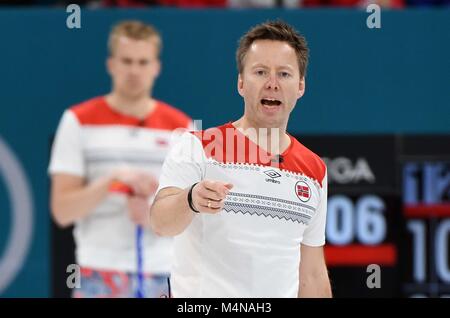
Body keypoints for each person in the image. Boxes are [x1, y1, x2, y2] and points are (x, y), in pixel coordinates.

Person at [150, 20, 331, 297]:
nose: (272, 84)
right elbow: (161, 223)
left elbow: (313, 274)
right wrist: (191, 199)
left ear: (301, 86)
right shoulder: (196, 146)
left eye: (284, 74)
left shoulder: (314, 170)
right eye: (260, 72)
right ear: (241, 83)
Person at [48, 20, 193, 298]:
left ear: (156, 67)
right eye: (127, 61)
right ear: (111, 64)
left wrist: (153, 214)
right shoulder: (77, 121)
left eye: (143, 62)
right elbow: (62, 211)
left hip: (165, 272)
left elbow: (192, 216)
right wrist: (111, 181)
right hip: (97, 271)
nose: (134, 71)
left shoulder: (182, 127)